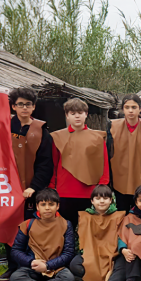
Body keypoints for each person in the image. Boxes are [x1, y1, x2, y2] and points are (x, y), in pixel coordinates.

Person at [0, 87, 54, 281]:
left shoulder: (41, 130)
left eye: (28, 104)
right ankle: (12, 267)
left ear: (33, 107)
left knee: (30, 229)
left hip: (31, 190)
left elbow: (46, 163)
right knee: (10, 228)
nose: (24, 108)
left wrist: (34, 187)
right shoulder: (4, 125)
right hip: (7, 187)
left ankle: (31, 268)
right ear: (13, 106)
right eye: (20, 104)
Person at [6, 189, 78, 281]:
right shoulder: (28, 224)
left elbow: (68, 253)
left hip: (55, 268)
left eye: (51, 204)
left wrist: (48, 265)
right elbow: (16, 251)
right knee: (16, 278)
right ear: (37, 207)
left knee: (68, 279)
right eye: (43, 204)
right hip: (33, 267)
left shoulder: (66, 224)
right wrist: (31, 262)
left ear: (57, 206)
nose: (47, 208)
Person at [50, 98, 110, 230]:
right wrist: (51, 186)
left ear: (86, 114)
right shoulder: (57, 137)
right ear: (66, 115)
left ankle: (87, 251)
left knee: (88, 229)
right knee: (65, 229)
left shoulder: (98, 137)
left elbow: (104, 162)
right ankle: (67, 251)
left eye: (80, 112)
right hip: (64, 190)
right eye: (72, 113)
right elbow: (53, 164)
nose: (77, 116)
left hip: (89, 191)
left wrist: (103, 185)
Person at [68, 185, 127, 281]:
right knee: (75, 265)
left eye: (105, 198)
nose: (101, 201)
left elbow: (124, 236)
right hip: (91, 253)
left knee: (122, 266)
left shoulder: (120, 216)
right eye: (98, 198)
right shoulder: (85, 217)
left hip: (113, 254)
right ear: (92, 201)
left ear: (111, 200)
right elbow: (80, 240)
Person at [107, 94, 141, 212]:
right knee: (122, 213)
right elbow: (107, 155)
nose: (130, 110)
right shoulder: (113, 126)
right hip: (119, 179)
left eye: (134, 107)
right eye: (127, 107)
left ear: (140, 108)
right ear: (123, 109)